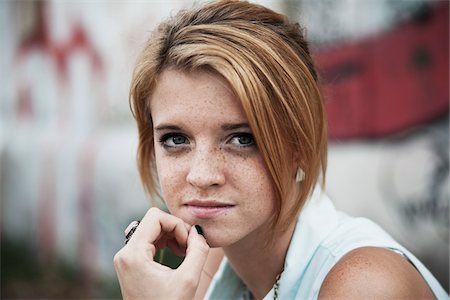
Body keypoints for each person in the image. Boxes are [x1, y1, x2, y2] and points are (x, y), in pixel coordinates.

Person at [113, 1, 448, 299]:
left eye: (242, 139)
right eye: (175, 139)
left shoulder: (364, 286)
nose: (201, 176)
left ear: (300, 146)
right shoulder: (215, 257)